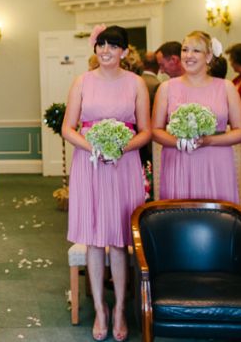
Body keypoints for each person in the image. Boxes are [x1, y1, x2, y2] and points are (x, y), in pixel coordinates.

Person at [63, 25, 150, 342]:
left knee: (120, 240)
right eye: (101, 45)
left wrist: (120, 148)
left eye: (113, 45)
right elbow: (68, 128)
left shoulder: (136, 83)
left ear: (124, 51)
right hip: (89, 164)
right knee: (94, 239)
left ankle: (121, 309)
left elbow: (146, 131)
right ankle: (101, 309)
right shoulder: (82, 82)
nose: (105, 50)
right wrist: (94, 148)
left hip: (123, 164)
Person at [152, 31, 241, 203]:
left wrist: (209, 140)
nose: (188, 55)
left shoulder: (226, 87)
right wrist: (178, 142)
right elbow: (156, 131)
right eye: (185, 50)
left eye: (196, 50)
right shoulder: (166, 88)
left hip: (216, 160)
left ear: (208, 56)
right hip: (178, 160)